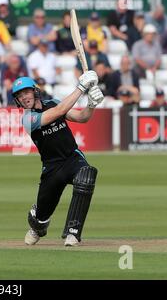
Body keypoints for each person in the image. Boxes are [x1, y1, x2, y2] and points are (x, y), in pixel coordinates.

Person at [11, 70, 103, 246]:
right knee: (40, 219)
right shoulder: (28, 119)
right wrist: (81, 87)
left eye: (26, 92)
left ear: (35, 91)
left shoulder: (52, 102)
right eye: (20, 95)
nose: (24, 97)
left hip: (72, 158)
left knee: (86, 176)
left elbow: (81, 118)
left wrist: (91, 104)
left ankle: (73, 233)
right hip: (51, 167)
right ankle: (37, 225)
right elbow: (58, 111)